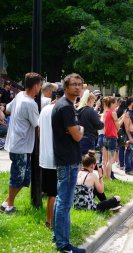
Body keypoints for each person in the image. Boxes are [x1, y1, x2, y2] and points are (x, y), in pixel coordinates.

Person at [51, 73, 86, 253]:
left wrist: (76, 129)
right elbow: (78, 135)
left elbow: (74, 132)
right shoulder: (65, 107)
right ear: (65, 87)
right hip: (67, 160)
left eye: (80, 84)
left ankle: (57, 237)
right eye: (74, 84)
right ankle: (63, 245)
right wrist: (81, 128)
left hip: (67, 159)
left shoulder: (67, 106)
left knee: (61, 201)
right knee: (64, 203)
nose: (78, 87)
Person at [0, 72, 42, 214]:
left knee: (24, 178)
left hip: (16, 143)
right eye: (40, 85)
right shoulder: (30, 103)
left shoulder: (19, 96)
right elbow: (38, 125)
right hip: (21, 146)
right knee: (18, 176)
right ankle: (9, 206)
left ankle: (6, 202)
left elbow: (8, 109)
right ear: (36, 85)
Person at [39, 87, 64, 229]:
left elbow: (39, 131)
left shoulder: (45, 109)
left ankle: (49, 220)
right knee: (54, 193)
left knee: (50, 193)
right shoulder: (59, 110)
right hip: (56, 157)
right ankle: (51, 222)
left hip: (45, 157)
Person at [102, 96, 125, 180]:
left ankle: (104, 176)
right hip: (112, 138)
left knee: (105, 160)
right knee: (110, 161)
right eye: (115, 103)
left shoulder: (106, 112)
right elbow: (118, 126)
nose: (116, 105)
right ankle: (109, 178)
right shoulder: (113, 112)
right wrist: (123, 118)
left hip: (105, 137)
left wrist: (121, 117)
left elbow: (112, 122)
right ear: (111, 104)